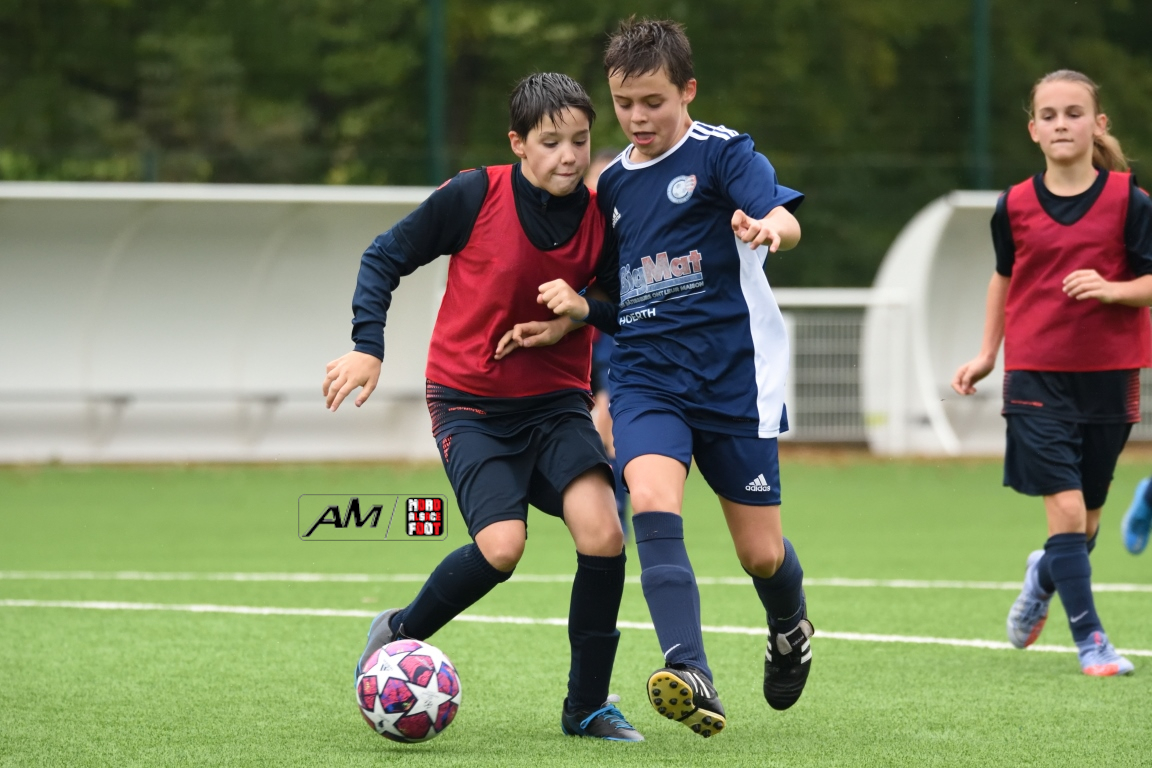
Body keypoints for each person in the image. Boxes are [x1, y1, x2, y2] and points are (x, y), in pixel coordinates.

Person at [509, 18, 809, 737]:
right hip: (647, 377)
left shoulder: (722, 153)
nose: (637, 117)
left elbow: (781, 215)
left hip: (733, 379)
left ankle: (791, 626)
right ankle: (690, 667)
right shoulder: (610, 184)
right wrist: (576, 315)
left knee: (761, 553)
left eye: (653, 102)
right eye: (624, 103)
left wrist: (771, 229)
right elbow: (619, 295)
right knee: (646, 498)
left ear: (687, 91)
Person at [322, 72, 643, 740]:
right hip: (470, 405)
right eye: (550, 142)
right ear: (518, 144)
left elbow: (622, 308)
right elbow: (384, 257)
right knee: (502, 548)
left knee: (604, 532)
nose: (569, 156)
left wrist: (576, 314)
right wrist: (367, 347)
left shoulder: (601, 219)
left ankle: (586, 706)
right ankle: (399, 631)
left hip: (556, 404)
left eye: (580, 140)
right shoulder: (474, 194)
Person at [952, 69, 1152, 677]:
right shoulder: (1013, 204)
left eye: (1073, 113)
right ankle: (1092, 641)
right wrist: (987, 354)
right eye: (1049, 115)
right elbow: (1003, 278)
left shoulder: (1131, 202)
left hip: (1110, 377)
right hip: (1035, 375)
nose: (1061, 124)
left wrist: (1113, 289)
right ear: (1033, 130)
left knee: (1084, 525)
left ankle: (1043, 575)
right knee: (1064, 512)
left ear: (1098, 124)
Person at [584, 147, 630, 538]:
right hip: (579, 342)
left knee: (609, 421)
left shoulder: (629, 231)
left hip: (614, 341)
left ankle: (616, 511)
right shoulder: (574, 227)